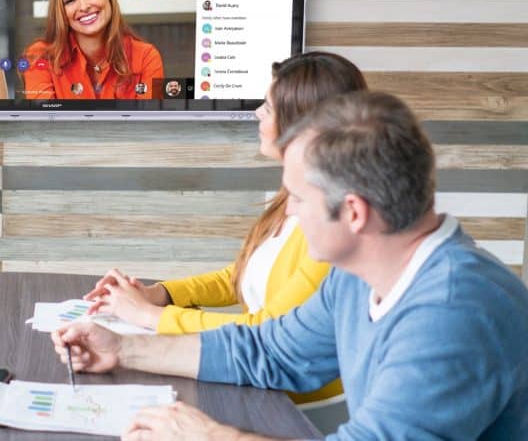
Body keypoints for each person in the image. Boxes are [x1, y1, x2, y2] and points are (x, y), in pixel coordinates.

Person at [56, 91, 528, 441]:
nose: (291, 213)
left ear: (354, 212)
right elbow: (271, 351)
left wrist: (210, 436)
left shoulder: (453, 314)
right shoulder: (357, 274)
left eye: (299, 199)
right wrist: (123, 350)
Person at [83, 52, 366, 412]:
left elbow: (264, 333)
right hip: (253, 375)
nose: (258, 114)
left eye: (267, 106)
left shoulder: (331, 223)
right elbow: (241, 276)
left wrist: (147, 316)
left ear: (300, 124)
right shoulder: (294, 197)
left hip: (288, 402)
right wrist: (161, 294)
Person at [22, 0, 164, 100]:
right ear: (61, 13)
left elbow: (149, 123)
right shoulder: (39, 57)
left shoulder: (146, 57)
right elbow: (44, 123)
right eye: (70, 0)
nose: (84, 6)